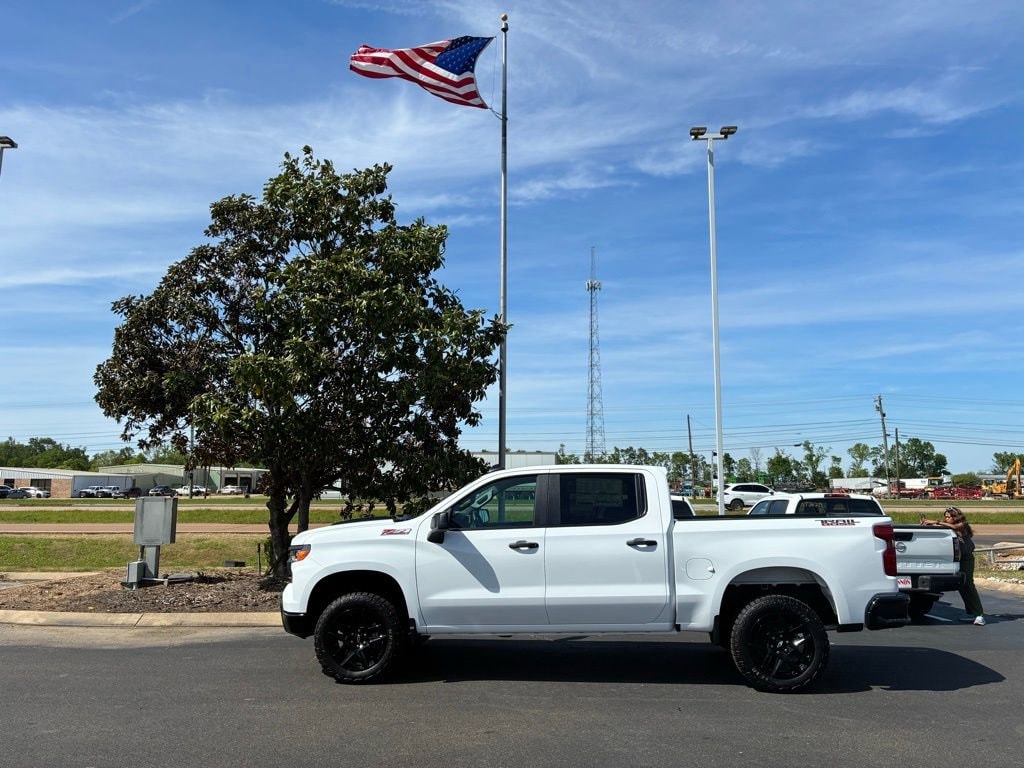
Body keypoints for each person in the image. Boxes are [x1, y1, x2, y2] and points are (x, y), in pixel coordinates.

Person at [921, 506, 985, 625]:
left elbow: (954, 527)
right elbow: (941, 528)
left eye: (949, 517)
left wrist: (935, 522)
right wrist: (928, 524)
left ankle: (979, 614)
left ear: (955, 517)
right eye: (945, 517)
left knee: (969, 585)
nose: (946, 519)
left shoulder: (962, 525)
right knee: (962, 586)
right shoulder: (947, 525)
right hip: (957, 560)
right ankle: (971, 612)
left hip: (966, 560)